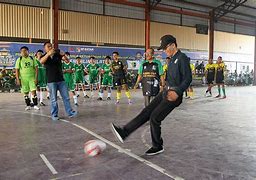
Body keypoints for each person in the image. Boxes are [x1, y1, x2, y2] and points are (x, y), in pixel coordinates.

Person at [111, 35, 192, 155]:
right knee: (147, 111)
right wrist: (163, 87)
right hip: (166, 91)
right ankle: (125, 132)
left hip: (173, 95)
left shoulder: (182, 58)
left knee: (155, 117)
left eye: (165, 48)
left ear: (173, 45)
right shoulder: (171, 59)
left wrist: (178, 91)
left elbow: (188, 78)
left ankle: (157, 146)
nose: (164, 51)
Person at [40, 41, 77, 121]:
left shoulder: (57, 55)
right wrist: (48, 54)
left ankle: (70, 112)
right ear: (45, 48)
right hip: (51, 81)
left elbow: (67, 61)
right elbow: (41, 62)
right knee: (53, 99)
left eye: (51, 46)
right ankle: (54, 114)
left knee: (66, 97)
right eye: (48, 46)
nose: (50, 47)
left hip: (61, 80)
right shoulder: (44, 56)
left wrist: (63, 55)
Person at [15, 46, 40, 110]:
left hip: (32, 78)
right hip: (23, 79)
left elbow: (36, 68)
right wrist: (17, 79)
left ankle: (35, 105)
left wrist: (36, 78)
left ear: (28, 51)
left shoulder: (32, 58)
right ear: (20, 52)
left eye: (25, 51)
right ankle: (28, 105)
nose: (23, 52)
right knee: (25, 93)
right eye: (22, 51)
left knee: (33, 91)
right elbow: (17, 70)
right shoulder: (19, 59)